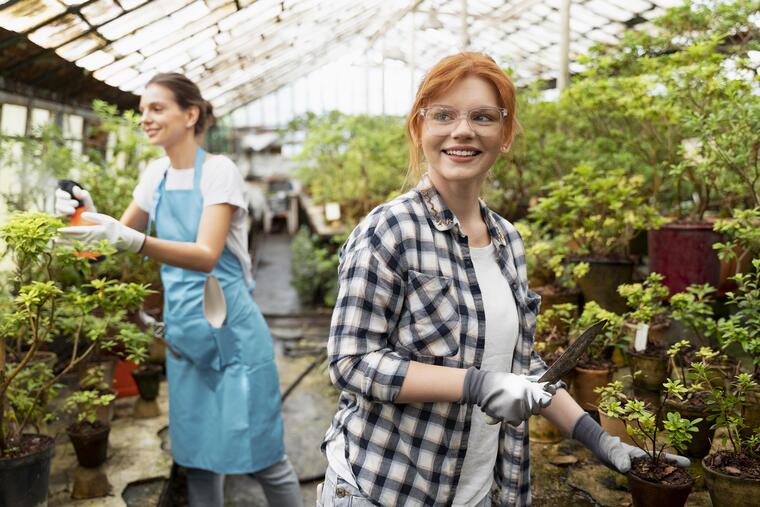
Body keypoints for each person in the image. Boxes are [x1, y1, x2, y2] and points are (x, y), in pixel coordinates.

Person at [318, 52, 689, 506]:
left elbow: (519, 362)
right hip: (390, 487)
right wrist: (476, 385)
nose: (462, 130)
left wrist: (600, 440)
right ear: (419, 128)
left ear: (505, 134)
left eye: (482, 117)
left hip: (482, 488)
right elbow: (351, 361)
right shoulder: (389, 231)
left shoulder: (507, 240)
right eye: (443, 115)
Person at [56, 73, 303, 507]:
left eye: (156, 108)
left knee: (264, 459)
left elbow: (206, 254)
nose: (145, 119)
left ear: (190, 115)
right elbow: (100, 251)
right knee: (199, 461)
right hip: (187, 343)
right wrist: (83, 217)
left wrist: (132, 240)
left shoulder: (219, 172)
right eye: (142, 111)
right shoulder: (156, 175)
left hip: (234, 343)